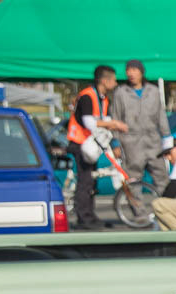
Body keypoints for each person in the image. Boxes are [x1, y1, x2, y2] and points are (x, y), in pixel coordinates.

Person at [63, 65, 126, 229]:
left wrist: (113, 140)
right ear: (104, 81)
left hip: (93, 144)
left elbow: (103, 121)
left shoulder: (103, 98)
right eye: (113, 79)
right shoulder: (87, 96)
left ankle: (90, 215)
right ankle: (83, 218)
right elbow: (89, 122)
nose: (116, 82)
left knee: (91, 180)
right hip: (80, 143)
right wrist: (112, 124)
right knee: (85, 180)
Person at [112, 58, 170, 191]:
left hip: (152, 140)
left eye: (134, 70)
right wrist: (115, 142)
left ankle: (165, 208)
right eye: (128, 70)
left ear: (141, 72)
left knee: (161, 177)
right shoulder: (121, 92)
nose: (131, 73)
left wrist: (167, 138)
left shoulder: (153, 91)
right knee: (133, 179)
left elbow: (161, 116)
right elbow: (115, 118)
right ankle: (139, 212)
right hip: (130, 141)